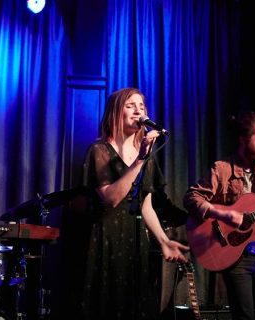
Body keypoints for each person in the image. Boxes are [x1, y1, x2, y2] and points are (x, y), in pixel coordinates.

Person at [79, 87, 189, 320]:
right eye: (131, 105)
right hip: (106, 239)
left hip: (135, 240)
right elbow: (112, 197)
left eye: (141, 106)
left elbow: (145, 206)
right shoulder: (98, 150)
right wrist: (140, 159)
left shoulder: (145, 156)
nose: (138, 110)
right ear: (116, 112)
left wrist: (164, 241)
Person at [183, 111, 255, 320]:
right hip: (236, 257)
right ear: (243, 139)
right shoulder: (222, 169)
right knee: (244, 316)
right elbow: (191, 197)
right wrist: (223, 215)